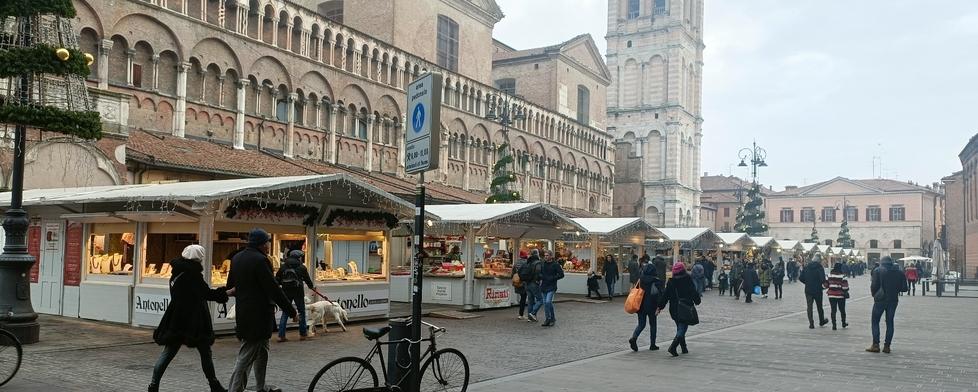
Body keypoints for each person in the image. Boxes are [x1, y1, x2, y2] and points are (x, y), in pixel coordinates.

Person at [149, 245, 231, 392]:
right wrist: (226, 292)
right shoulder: (193, 275)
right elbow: (207, 293)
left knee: (169, 352)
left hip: (176, 318)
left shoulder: (176, 273)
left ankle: (153, 385)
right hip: (194, 320)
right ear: (198, 258)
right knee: (205, 352)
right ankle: (214, 384)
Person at [227, 228, 298, 392]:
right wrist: (291, 311)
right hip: (258, 315)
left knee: (262, 351)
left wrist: (246, 289)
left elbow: (231, 286)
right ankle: (234, 389)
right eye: (267, 242)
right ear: (261, 244)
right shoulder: (261, 260)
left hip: (244, 311)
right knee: (246, 356)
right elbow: (273, 289)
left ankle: (261, 386)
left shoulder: (237, 257)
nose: (268, 246)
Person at [657, 262, 701, 357]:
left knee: (680, 327)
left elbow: (665, 295)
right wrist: (697, 300)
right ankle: (673, 347)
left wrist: (660, 307)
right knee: (682, 328)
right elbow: (693, 291)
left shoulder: (671, 281)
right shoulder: (687, 279)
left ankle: (684, 348)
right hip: (685, 307)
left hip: (673, 309)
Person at [867, 256, 909, 353]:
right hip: (893, 300)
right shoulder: (899, 272)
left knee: (875, 321)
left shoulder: (877, 271)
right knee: (890, 322)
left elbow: (874, 285)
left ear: (882, 262)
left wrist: (875, 295)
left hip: (880, 299)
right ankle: (887, 346)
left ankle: (876, 345)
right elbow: (904, 288)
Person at [275, 249, 316, 342]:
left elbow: (277, 279)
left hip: (286, 291)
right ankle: (302, 335)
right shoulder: (302, 267)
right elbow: (307, 279)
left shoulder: (283, 266)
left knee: (285, 312)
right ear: (299, 257)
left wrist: (282, 284)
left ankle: (281, 336)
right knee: (301, 312)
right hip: (298, 292)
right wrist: (311, 287)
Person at [629, 263, 664, 352]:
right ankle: (652, 344)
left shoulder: (641, 279)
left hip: (640, 305)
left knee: (641, 324)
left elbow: (636, 290)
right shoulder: (656, 281)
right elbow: (660, 295)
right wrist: (659, 307)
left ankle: (634, 337)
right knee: (653, 325)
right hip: (652, 306)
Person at [799, 254, 829, 329]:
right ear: (819, 260)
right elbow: (822, 279)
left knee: (809, 307)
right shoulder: (819, 267)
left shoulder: (806, 267)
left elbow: (800, 278)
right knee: (819, 306)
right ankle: (821, 321)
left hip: (808, 290)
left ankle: (811, 323)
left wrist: (807, 283)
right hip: (818, 290)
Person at [539, 251, 565, 327]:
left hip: (551, 286)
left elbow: (561, 274)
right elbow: (540, 272)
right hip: (544, 285)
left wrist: (553, 278)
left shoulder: (555, 265)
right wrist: (540, 276)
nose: (545, 257)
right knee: (546, 303)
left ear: (551, 256)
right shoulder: (543, 264)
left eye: (547, 255)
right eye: (545, 255)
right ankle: (550, 318)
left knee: (547, 302)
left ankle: (549, 318)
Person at [824, 262, 850, 330]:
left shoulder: (829, 275)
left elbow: (825, 285)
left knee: (833, 310)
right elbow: (845, 287)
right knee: (842, 310)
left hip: (831, 295)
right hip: (840, 295)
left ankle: (834, 325)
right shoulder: (843, 276)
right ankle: (843, 323)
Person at [523, 249, 544, 323]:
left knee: (530, 301)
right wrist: (539, 279)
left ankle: (529, 318)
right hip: (534, 283)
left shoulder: (527, 262)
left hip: (527, 283)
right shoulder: (537, 262)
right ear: (537, 254)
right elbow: (538, 272)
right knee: (540, 300)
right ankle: (532, 313)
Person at [512, 250, 529, 319]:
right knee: (524, 298)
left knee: (522, 298)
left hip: (518, 282)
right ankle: (521, 314)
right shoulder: (527, 263)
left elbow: (512, 273)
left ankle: (521, 314)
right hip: (524, 283)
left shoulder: (516, 263)